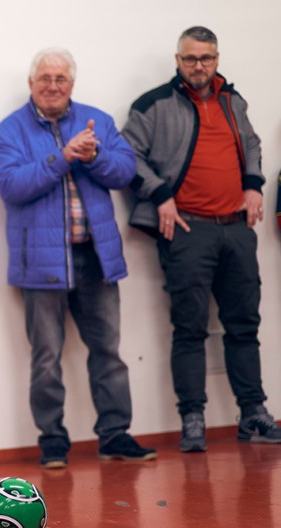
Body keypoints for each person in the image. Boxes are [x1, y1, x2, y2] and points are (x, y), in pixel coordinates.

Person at [0, 47, 157, 469]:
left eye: (60, 79)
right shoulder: (7, 132)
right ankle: (53, 443)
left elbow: (125, 172)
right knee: (46, 358)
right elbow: (12, 185)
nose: (52, 86)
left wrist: (94, 155)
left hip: (96, 258)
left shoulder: (97, 121)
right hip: (40, 265)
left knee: (109, 352)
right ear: (31, 84)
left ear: (72, 84)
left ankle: (115, 435)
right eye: (44, 78)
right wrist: (63, 157)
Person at [122, 26, 281, 452]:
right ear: (178, 61)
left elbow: (251, 143)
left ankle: (253, 414)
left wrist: (253, 185)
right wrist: (160, 196)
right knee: (189, 329)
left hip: (236, 229)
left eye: (206, 58)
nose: (199, 66)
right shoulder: (153, 104)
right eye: (191, 59)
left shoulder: (233, 99)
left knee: (245, 325)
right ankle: (192, 419)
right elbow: (125, 155)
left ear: (216, 59)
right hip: (188, 230)